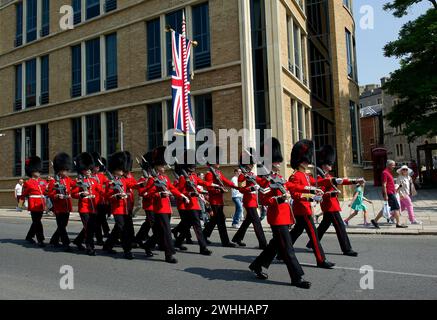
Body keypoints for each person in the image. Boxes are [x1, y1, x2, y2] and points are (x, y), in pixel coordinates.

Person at [249, 137, 311, 289]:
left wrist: (310, 192)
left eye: (278, 161)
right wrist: (280, 199)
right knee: (288, 249)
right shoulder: (264, 180)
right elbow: (263, 200)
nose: (279, 163)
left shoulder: (279, 177)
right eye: (276, 161)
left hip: (285, 217)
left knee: (275, 245)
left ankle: (257, 265)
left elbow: (292, 188)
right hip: (277, 218)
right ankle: (297, 278)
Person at [288, 140, 336, 269]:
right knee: (314, 235)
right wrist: (312, 196)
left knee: (295, 233)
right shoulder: (295, 176)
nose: (307, 162)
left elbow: (319, 182)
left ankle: (281, 253)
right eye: (305, 160)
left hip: (305, 209)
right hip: (302, 210)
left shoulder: (306, 175)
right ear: (300, 161)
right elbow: (295, 195)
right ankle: (321, 260)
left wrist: (336, 180)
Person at [306, 145, 361, 256]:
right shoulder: (319, 178)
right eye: (328, 163)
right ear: (323, 164)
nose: (331, 165)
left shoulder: (328, 176)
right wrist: (331, 192)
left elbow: (340, 181)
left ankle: (312, 243)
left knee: (324, 225)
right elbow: (319, 192)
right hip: (329, 205)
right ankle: (347, 249)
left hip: (333, 204)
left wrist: (354, 181)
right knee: (340, 226)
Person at [142, 146, 189, 263]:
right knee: (167, 231)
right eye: (162, 166)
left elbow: (173, 189)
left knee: (159, 232)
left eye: (164, 165)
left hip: (167, 209)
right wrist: (159, 194)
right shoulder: (152, 179)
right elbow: (145, 193)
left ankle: (147, 245)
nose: (164, 168)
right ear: (157, 167)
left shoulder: (165, 178)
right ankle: (169, 254)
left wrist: (182, 196)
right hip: (159, 210)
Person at [174, 149, 217, 255]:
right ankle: (203, 247)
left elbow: (202, 182)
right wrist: (191, 194)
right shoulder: (183, 178)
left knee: (187, 225)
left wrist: (213, 185)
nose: (193, 169)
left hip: (195, 205)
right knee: (197, 226)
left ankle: (178, 242)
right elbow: (180, 191)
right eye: (192, 167)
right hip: (189, 206)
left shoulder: (193, 177)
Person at [231, 148, 267, 249]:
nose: (252, 166)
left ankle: (237, 238)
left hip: (253, 201)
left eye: (252, 164)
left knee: (247, 222)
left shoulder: (251, 175)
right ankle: (263, 243)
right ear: (246, 164)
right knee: (257, 223)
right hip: (248, 201)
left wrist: (267, 178)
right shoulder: (242, 176)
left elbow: (261, 181)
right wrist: (251, 187)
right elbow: (241, 189)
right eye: (251, 164)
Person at [102, 152, 136, 259]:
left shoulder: (124, 180)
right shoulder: (110, 182)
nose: (122, 171)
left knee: (118, 229)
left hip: (125, 208)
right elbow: (107, 195)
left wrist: (144, 183)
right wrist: (116, 196)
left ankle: (108, 245)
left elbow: (133, 185)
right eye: (120, 169)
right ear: (115, 170)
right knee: (123, 229)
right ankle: (127, 250)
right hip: (117, 209)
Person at [203, 146, 238, 247]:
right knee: (221, 221)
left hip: (219, 200)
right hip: (214, 201)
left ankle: (204, 235)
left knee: (215, 219)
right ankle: (225, 241)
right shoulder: (209, 174)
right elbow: (209, 188)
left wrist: (236, 187)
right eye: (216, 161)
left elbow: (226, 181)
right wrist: (219, 190)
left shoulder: (217, 172)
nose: (218, 163)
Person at [71, 152, 102, 256]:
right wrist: (81, 194)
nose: (88, 171)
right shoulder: (79, 181)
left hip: (93, 207)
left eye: (90, 169)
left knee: (91, 227)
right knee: (88, 229)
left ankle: (78, 241)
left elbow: (101, 191)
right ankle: (90, 248)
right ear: (82, 170)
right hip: (84, 208)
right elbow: (73, 194)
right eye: (86, 169)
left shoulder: (94, 181)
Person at [47, 152, 74, 252]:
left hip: (67, 206)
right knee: (62, 226)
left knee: (63, 225)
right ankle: (66, 244)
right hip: (59, 207)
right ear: (60, 170)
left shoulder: (68, 179)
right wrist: (57, 195)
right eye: (65, 170)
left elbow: (74, 185)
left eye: (67, 170)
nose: (66, 172)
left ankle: (54, 240)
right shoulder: (53, 181)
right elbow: (50, 193)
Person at [371, 160, 408, 229]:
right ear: (389, 165)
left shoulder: (388, 172)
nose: (394, 166)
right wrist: (385, 195)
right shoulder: (385, 173)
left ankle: (375, 220)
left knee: (386, 208)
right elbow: (384, 185)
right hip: (389, 193)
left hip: (391, 192)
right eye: (393, 165)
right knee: (396, 207)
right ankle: (398, 224)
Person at [22, 156, 48, 247]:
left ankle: (29, 236)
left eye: (39, 171)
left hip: (41, 204)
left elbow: (47, 191)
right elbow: (23, 194)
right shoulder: (28, 182)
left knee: (36, 221)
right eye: (37, 171)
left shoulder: (43, 181)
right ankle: (40, 239)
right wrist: (20, 205)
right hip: (33, 204)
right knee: (37, 222)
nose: (39, 172)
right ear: (32, 171)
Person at [91, 152, 110, 245]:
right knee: (97, 222)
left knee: (101, 220)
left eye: (98, 166)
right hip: (94, 202)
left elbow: (107, 183)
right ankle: (99, 239)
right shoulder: (90, 177)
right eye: (96, 166)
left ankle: (102, 235)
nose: (98, 167)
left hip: (102, 202)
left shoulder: (101, 176)